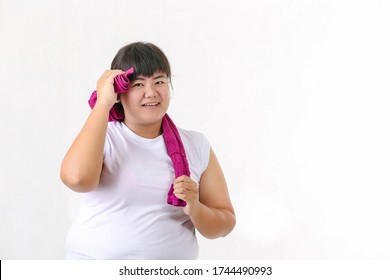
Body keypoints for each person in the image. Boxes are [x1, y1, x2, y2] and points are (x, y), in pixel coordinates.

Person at [60, 42, 235, 259]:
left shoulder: (196, 144)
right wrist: (103, 103)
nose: (151, 93)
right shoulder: (102, 135)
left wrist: (196, 208)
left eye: (159, 81)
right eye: (138, 85)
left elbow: (225, 223)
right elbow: (77, 179)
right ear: (119, 91)